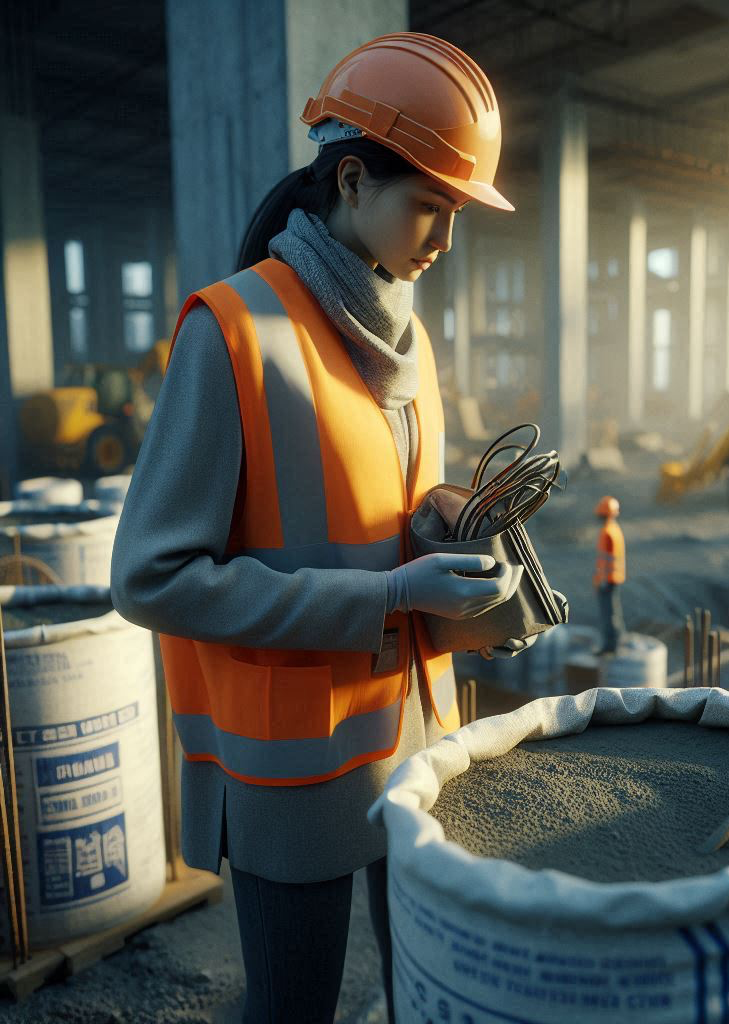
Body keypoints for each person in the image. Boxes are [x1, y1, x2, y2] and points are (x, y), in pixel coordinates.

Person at [110, 32, 528, 1024]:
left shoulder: (412, 337)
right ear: (351, 179)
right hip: (291, 767)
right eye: (429, 205)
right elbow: (151, 577)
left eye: (455, 211)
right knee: (290, 1010)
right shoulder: (235, 333)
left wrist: (445, 525)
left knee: (421, 995)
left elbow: (385, 502)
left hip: (418, 742)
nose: (444, 238)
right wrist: (388, 595)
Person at [593, 495, 626, 655]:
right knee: (613, 612)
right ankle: (617, 641)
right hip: (614, 577)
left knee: (609, 614)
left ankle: (611, 646)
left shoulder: (607, 532)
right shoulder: (614, 529)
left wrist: (603, 580)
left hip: (608, 580)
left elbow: (605, 560)